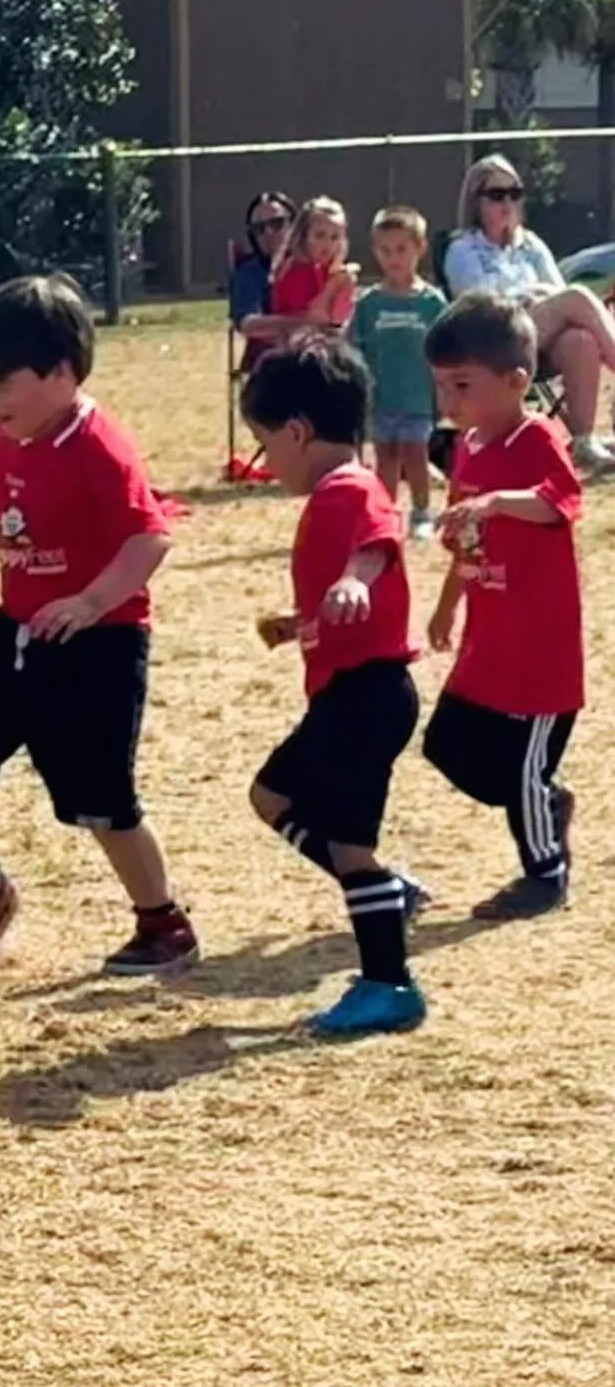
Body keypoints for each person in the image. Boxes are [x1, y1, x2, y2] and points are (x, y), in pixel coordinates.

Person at [0, 274, 194, 976]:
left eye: (8, 382)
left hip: (98, 645)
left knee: (101, 803)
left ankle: (164, 924)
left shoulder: (98, 443)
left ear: (64, 375)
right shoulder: (15, 436)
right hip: (17, 633)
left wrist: (91, 603)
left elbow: (149, 538)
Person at [243, 335, 426, 1036]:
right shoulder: (334, 493)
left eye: (265, 447)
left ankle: (390, 983)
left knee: (344, 842)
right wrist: (303, 622)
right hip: (357, 692)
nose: (267, 464)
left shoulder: (349, 487)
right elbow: (348, 584)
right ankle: (384, 895)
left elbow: (380, 541)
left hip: (366, 695)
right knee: (271, 798)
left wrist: (354, 579)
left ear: (296, 431)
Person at [422, 293, 582, 920]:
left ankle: (545, 874)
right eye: (441, 386)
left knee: (519, 767)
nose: (449, 402)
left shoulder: (537, 436)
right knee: (446, 746)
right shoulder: (469, 448)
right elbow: (466, 538)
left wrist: (495, 503)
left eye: (462, 385)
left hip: (540, 651)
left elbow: (557, 502)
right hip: (487, 643)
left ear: (517, 382)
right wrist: (446, 605)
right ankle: (544, 800)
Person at [444, 153, 615, 470]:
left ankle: (583, 442)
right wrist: (529, 296)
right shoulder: (462, 248)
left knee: (580, 340)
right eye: (496, 195)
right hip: (493, 335)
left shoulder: (531, 245)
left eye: (514, 193)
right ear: (475, 202)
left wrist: (536, 297)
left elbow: (555, 289)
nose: (506, 202)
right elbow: (480, 303)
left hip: (540, 332)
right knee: (578, 296)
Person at [349, 206, 448, 541]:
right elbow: (354, 348)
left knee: (416, 455)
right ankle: (385, 513)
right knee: (386, 458)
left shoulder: (432, 303)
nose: (393, 258)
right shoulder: (368, 304)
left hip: (418, 395)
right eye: (385, 250)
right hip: (382, 397)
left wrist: (445, 392)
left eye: (401, 249)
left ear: (419, 249)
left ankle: (422, 512)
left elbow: (445, 348)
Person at [230, 190, 301, 363]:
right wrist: (307, 324)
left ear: (295, 225)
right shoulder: (249, 273)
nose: (268, 233)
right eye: (259, 229)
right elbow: (249, 325)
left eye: (277, 224)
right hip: (270, 365)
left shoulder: (317, 265)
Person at [271, 197, 360, 329]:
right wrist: (333, 285)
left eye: (335, 237)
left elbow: (339, 319)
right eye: (319, 235)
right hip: (293, 339)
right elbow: (315, 318)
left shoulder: (328, 269)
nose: (327, 244)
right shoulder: (296, 269)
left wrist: (346, 285)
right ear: (304, 236)